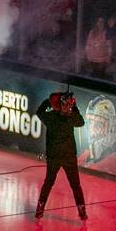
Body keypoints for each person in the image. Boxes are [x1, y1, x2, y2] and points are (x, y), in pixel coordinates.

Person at [34, 90, 87, 220]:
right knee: (55, 183)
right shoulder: (69, 117)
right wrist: (74, 107)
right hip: (60, 157)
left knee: (70, 184)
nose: (67, 107)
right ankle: (81, 211)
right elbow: (80, 121)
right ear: (63, 105)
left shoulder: (53, 116)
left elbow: (39, 112)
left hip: (61, 157)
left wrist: (49, 101)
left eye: (68, 104)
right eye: (66, 104)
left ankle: (81, 211)